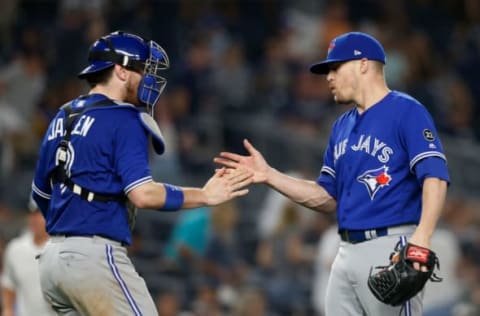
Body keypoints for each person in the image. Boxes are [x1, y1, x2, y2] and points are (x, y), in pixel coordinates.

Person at [214, 31, 449, 316]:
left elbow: (434, 175)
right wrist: (270, 175)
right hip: (345, 249)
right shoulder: (341, 127)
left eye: (335, 67)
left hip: (391, 246)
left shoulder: (407, 111)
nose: (328, 77)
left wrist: (422, 236)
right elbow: (327, 197)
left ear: (363, 64)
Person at [31, 30, 253, 316]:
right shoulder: (124, 118)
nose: (148, 78)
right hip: (93, 258)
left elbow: (40, 193)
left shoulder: (62, 116)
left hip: (52, 263)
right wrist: (205, 195)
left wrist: (71, 228)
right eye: (142, 69)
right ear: (121, 71)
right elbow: (143, 195)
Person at [1, 199, 55, 316]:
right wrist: (8, 309)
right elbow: (8, 284)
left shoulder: (62, 250)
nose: (35, 219)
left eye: (40, 214)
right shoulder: (15, 249)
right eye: (32, 213)